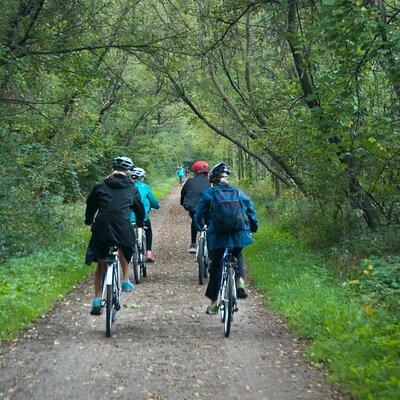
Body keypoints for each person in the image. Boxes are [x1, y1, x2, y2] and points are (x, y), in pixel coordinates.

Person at [85, 156, 145, 315]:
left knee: (101, 262)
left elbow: (90, 205)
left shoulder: (100, 186)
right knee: (124, 248)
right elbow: (139, 209)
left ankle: (97, 298)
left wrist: (89, 221)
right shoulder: (132, 188)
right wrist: (139, 223)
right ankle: (125, 280)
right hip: (122, 226)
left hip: (101, 226)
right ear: (128, 172)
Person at [194, 162, 258, 313]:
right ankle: (240, 282)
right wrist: (253, 226)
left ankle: (213, 304)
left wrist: (199, 225)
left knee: (216, 266)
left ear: (213, 179)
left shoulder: (209, 193)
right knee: (238, 255)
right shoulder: (238, 192)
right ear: (227, 178)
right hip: (239, 234)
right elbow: (250, 209)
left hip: (217, 235)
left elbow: (198, 213)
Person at [130, 167, 160, 262]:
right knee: (148, 230)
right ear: (142, 177)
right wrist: (157, 205)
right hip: (142, 217)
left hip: (127, 217)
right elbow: (154, 203)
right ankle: (149, 252)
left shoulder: (126, 187)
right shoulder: (145, 187)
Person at [180, 160, 211, 253]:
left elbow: (183, 193)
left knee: (195, 219)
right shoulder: (210, 182)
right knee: (209, 222)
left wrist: (183, 203)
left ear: (196, 171)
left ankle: (193, 244)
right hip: (207, 208)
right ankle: (211, 244)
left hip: (193, 208)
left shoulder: (190, 181)